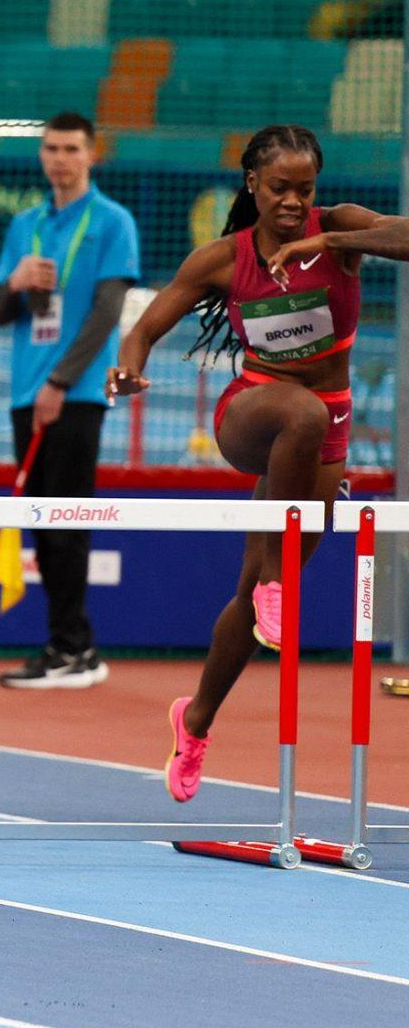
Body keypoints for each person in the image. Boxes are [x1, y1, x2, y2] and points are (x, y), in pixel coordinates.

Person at [109, 127, 403, 800]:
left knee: (247, 598)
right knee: (298, 412)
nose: (293, 202)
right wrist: (129, 368)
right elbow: (145, 328)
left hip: (325, 430)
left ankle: (195, 720)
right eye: (279, 189)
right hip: (252, 412)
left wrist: (333, 241)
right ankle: (278, 582)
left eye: (305, 189)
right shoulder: (224, 259)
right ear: (252, 185)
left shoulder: (339, 231)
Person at [0, 111, 139, 688]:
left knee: (66, 523)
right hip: (26, 393)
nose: (60, 158)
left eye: (72, 149)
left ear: (91, 154)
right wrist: (16, 282)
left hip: (76, 394)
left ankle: (74, 649)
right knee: (41, 523)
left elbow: (106, 315)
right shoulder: (24, 225)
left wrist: (60, 384)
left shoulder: (112, 222)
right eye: (51, 148)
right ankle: (68, 646)